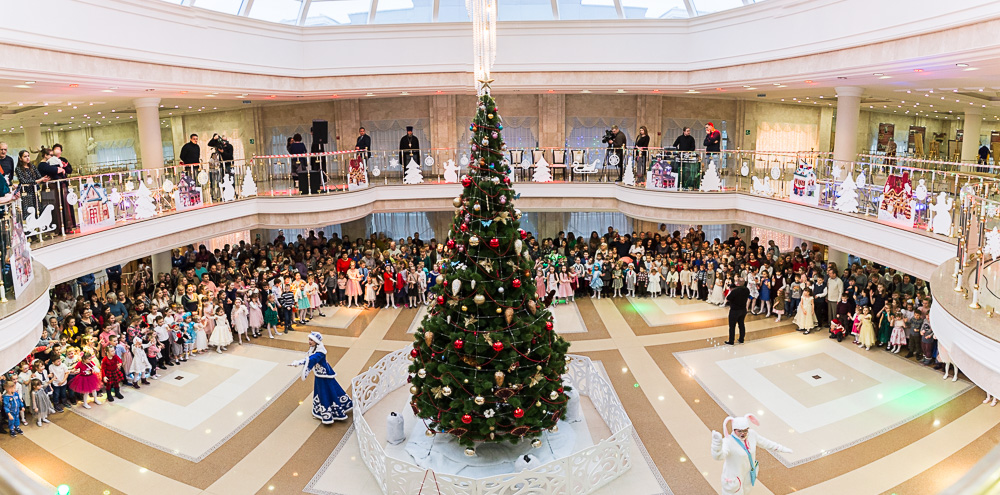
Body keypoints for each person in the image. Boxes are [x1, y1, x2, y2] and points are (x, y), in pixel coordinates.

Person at [711, 414, 791, 495]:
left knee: (746, 492)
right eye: (740, 431)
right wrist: (717, 444)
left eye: (745, 430)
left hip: (748, 475)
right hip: (734, 479)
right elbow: (718, 456)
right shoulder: (728, 441)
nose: (743, 433)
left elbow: (765, 443)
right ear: (734, 429)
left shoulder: (752, 435)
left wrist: (781, 448)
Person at [288, 332, 353, 423]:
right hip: (320, 374)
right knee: (326, 390)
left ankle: (329, 413)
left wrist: (298, 362)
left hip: (324, 375)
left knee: (324, 391)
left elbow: (312, 359)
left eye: (312, 340)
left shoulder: (320, 352)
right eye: (309, 339)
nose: (309, 342)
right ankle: (333, 408)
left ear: (316, 341)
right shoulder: (315, 348)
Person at [37, 146, 77, 233]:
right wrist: (59, 169)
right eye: (50, 155)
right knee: (53, 208)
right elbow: (55, 170)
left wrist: (61, 169)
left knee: (59, 207)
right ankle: (55, 229)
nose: (52, 157)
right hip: (49, 189)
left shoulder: (48, 163)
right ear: (45, 155)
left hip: (54, 187)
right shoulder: (42, 165)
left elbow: (63, 170)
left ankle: (62, 227)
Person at [15, 150, 47, 220]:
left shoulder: (32, 166)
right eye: (25, 156)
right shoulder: (18, 168)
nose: (27, 158)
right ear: (20, 158)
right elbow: (23, 181)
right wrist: (37, 181)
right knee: (28, 210)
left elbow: (39, 176)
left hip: (34, 190)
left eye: (28, 156)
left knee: (37, 208)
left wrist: (43, 179)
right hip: (26, 192)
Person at [725, 277, 750, 345]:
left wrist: (731, 290)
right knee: (741, 324)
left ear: (737, 283)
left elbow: (728, 298)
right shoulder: (747, 290)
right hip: (743, 309)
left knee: (732, 326)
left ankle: (731, 340)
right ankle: (741, 339)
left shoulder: (735, 291)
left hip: (734, 310)